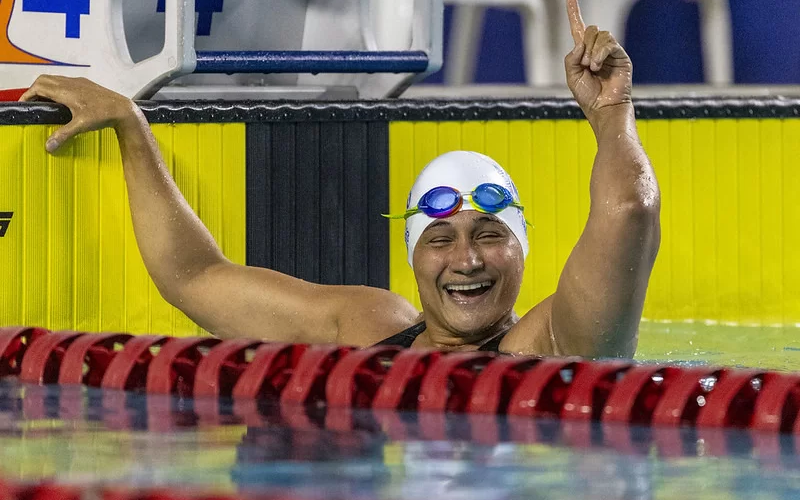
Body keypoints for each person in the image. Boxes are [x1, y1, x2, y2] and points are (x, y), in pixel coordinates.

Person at [20, 0, 659, 358]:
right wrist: (133, 128)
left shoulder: (554, 342)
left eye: (489, 234)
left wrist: (611, 113)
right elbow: (194, 279)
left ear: (523, 248)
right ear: (412, 254)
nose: (465, 260)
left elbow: (629, 211)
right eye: (439, 239)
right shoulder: (367, 326)